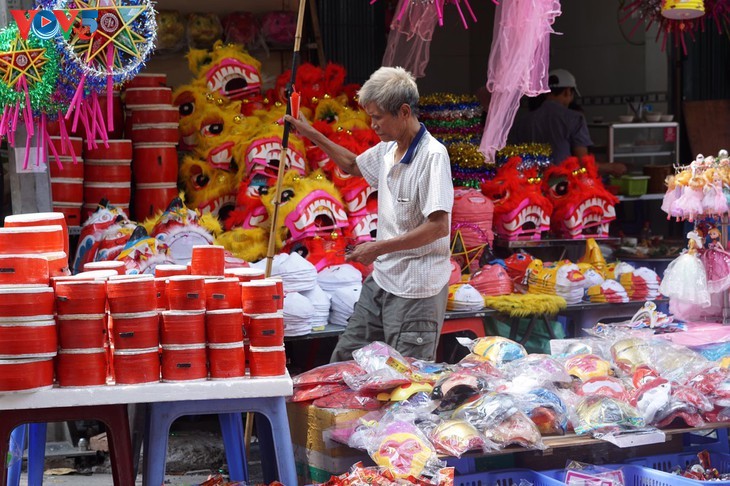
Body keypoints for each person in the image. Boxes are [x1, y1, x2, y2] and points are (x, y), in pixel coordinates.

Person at [284, 66, 453, 362]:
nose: (373, 124)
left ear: (403, 112)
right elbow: (352, 165)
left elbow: (438, 227)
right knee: (346, 363)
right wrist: (309, 132)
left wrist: (377, 248)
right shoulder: (390, 148)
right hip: (383, 280)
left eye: (377, 117)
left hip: (416, 290)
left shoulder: (433, 157)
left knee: (405, 380)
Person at [509, 68, 626, 176]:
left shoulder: (523, 121)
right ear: (567, 92)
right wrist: (612, 167)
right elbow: (583, 162)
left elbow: (514, 159)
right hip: (562, 187)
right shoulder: (574, 118)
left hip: (532, 186)